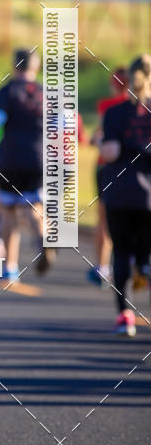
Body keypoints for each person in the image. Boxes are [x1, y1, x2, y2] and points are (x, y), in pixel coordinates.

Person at [0, 49, 53, 283]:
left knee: (7, 209)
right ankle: (43, 236)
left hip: (11, 157)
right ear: (36, 66)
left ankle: (10, 267)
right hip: (40, 157)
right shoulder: (45, 92)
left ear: (15, 66)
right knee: (34, 204)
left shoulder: (8, 90)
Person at [100, 55, 151, 337]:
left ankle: (125, 314)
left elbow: (109, 153)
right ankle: (144, 267)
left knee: (120, 252)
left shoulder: (115, 113)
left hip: (119, 191)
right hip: (148, 195)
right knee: (144, 251)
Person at [88, 68, 129, 287]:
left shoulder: (107, 106)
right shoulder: (142, 107)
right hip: (136, 169)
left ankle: (103, 267)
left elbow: (97, 138)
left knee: (104, 219)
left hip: (107, 168)